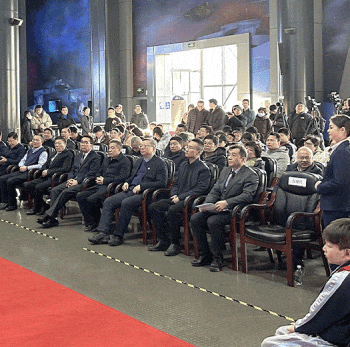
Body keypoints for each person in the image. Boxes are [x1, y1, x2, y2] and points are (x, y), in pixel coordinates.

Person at [261, 218, 350, 347]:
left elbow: (321, 313)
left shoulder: (342, 279)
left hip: (336, 340)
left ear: (347, 253)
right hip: (342, 332)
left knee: (271, 342)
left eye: (329, 246)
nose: (324, 248)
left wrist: (298, 327)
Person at [190, 144, 259, 272]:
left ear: (243, 159)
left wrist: (227, 202)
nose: (229, 157)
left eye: (234, 155)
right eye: (229, 155)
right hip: (218, 207)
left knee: (213, 221)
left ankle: (218, 257)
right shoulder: (226, 171)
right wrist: (207, 204)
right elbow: (215, 190)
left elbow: (247, 196)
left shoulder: (250, 174)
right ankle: (204, 254)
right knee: (195, 218)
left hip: (235, 210)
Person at [88, 138, 167, 246]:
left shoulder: (160, 163)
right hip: (131, 190)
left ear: (153, 148)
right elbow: (131, 176)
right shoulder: (139, 161)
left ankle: (118, 235)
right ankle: (103, 233)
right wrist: (127, 182)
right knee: (109, 201)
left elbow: (162, 183)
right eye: (141, 146)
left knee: (126, 203)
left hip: (145, 194)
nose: (142, 148)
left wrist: (142, 186)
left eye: (145, 146)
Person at [148, 139, 212, 256]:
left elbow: (200, 189)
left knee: (172, 211)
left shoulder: (203, 169)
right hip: (177, 197)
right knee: (154, 207)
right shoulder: (183, 165)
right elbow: (176, 183)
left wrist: (181, 197)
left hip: (191, 201)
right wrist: (174, 194)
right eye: (187, 147)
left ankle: (175, 243)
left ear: (198, 152)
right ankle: (164, 239)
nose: (186, 149)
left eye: (191, 148)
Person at [37, 135, 101, 228]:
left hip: (85, 183)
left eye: (86, 142)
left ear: (91, 145)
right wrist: (70, 179)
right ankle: (53, 219)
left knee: (66, 192)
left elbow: (92, 174)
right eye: (82, 142)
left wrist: (77, 181)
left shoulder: (96, 157)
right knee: (55, 190)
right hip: (73, 180)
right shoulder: (78, 155)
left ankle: (49, 216)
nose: (83, 144)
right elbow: (72, 170)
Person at [76, 140, 132, 230]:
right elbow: (99, 171)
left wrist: (105, 180)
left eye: (112, 148)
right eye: (109, 148)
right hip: (100, 184)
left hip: (111, 186)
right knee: (80, 196)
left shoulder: (125, 161)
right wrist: (98, 178)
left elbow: (122, 177)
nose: (109, 150)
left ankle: (98, 222)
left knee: (92, 199)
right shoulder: (107, 159)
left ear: (119, 149)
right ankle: (91, 222)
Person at [23, 136, 74, 215]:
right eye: (56, 143)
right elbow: (46, 164)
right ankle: (43, 206)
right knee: (27, 185)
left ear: (65, 144)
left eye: (59, 143)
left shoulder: (68, 154)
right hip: (46, 176)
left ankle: (37, 207)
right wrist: (43, 170)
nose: (57, 145)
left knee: (38, 187)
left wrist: (48, 172)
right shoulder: (54, 153)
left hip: (56, 178)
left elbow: (65, 169)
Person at [315, 114, 350, 227]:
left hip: (336, 207)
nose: (328, 130)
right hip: (338, 206)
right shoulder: (341, 149)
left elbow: (340, 182)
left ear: (342, 130)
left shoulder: (342, 151)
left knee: (333, 237)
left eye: (331, 127)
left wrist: (319, 186)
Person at [0, 134, 47, 211]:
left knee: (10, 181)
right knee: (2, 178)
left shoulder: (43, 152)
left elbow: (40, 165)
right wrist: (21, 166)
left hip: (31, 172)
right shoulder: (30, 150)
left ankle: (12, 204)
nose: (34, 141)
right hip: (22, 170)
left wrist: (27, 167)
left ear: (42, 142)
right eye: (33, 139)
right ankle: (5, 201)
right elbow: (23, 160)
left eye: (37, 140)